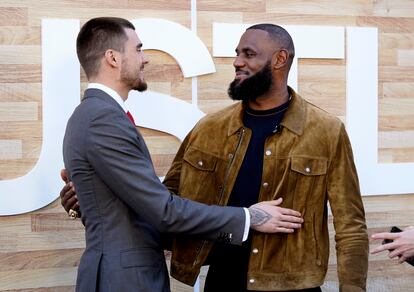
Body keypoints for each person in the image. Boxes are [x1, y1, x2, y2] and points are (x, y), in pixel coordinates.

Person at [62, 17, 303, 292]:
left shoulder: (95, 115)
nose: (145, 60)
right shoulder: (102, 120)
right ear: (113, 58)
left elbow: (117, 201)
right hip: (124, 281)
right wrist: (250, 217)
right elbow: (163, 211)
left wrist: (86, 198)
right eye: (138, 49)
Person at [162, 24, 368, 291]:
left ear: (279, 59)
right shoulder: (209, 128)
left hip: (293, 286)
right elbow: (170, 203)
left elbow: (350, 226)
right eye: (237, 53)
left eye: (248, 54)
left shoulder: (326, 131)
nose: (237, 62)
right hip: (223, 282)